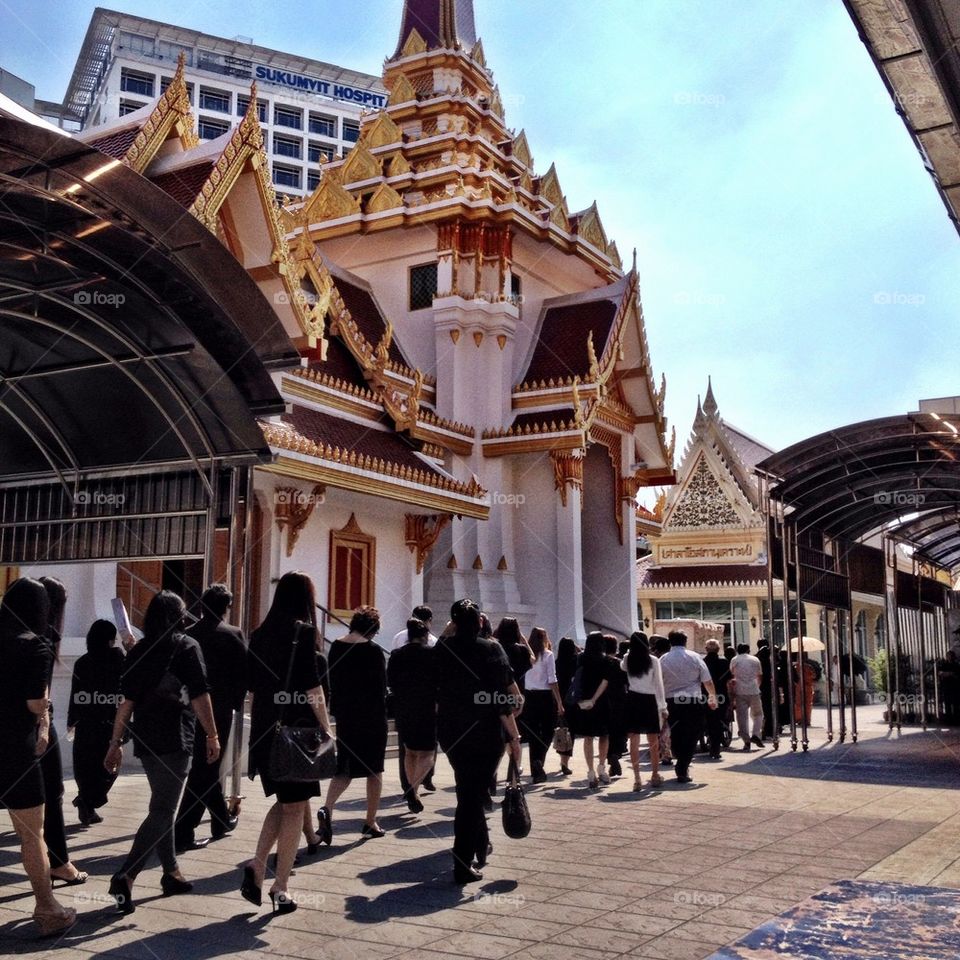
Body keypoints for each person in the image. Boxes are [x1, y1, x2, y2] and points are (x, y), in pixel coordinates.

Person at [105, 590, 220, 914]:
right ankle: (127, 874)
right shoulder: (186, 646)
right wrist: (212, 734)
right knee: (162, 810)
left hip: (147, 739)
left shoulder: (138, 651)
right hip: (176, 738)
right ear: (179, 616)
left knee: (163, 805)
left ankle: (171, 873)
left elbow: (126, 703)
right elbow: (200, 696)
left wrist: (115, 743)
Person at [243, 571, 332, 914]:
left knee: (285, 804)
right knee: (294, 809)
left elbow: (252, 688)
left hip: (267, 732)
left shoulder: (259, 634)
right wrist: (327, 728)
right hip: (297, 734)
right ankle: (280, 887)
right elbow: (313, 690)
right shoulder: (303, 632)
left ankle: (257, 863)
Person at [0, 578, 76, 936]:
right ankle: (47, 909)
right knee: (32, 834)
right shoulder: (36, 646)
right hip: (16, 750)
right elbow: (33, 703)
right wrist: (44, 710)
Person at [435, 598, 522, 883]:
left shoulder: (445, 649)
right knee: (470, 796)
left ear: (454, 623)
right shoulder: (491, 649)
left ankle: (478, 845)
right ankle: (462, 862)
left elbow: (431, 666)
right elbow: (502, 695)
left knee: (469, 791)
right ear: (481, 622)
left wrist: (449, 630)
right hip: (485, 733)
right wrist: (513, 733)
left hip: (452, 732)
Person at [174, 584, 247, 852]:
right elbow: (242, 674)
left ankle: (220, 819)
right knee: (205, 769)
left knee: (206, 767)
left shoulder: (189, 634)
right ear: (226, 608)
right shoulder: (233, 634)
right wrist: (237, 702)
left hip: (190, 707)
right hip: (220, 708)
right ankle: (182, 829)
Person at [319, 606, 389, 841]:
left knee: (345, 767)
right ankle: (370, 821)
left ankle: (327, 808)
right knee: (374, 771)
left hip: (346, 715)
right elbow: (380, 688)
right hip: (371, 717)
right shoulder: (374, 652)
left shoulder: (337, 647)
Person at [38, 576, 86, 885]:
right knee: (53, 791)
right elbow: (41, 692)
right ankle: (58, 860)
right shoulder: (44, 638)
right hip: (36, 720)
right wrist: (44, 724)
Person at [67, 619, 124, 825]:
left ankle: (86, 802)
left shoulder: (82, 662)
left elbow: (76, 693)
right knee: (110, 767)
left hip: (86, 723)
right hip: (109, 722)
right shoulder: (116, 658)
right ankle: (87, 803)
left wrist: (72, 720)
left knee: (86, 767)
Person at [387, 618, 437, 812]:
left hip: (403, 707)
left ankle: (412, 789)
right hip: (426, 707)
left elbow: (390, 680)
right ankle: (413, 788)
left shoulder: (397, 655)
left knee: (409, 751)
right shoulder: (431, 655)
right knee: (427, 753)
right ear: (424, 636)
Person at [659, 631, 718, 784]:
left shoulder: (663, 659)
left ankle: (679, 757)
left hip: (671, 701)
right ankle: (683, 765)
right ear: (685, 641)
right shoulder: (695, 657)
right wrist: (712, 697)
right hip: (692, 700)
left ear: (670, 642)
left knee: (676, 731)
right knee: (693, 733)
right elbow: (707, 681)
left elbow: (658, 682)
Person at [567, 631, 614, 789]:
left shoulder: (580, 658)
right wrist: (595, 699)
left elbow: (575, 679)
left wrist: (583, 698)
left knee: (588, 737)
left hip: (583, 700)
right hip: (601, 702)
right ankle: (602, 767)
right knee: (604, 735)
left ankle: (591, 772)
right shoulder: (606, 660)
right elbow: (605, 682)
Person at [622, 632, 666, 790]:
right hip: (649, 701)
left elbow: (622, 667)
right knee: (653, 741)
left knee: (634, 740)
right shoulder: (653, 660)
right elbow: (659, 684)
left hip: (633, 699)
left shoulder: (628, 658)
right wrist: (663, 707)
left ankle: (637, 779)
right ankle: (655, 775)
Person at [520, 627, 564, 784]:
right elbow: (552, 679)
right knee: (547, 731)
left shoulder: (526, 654)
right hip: (545, 696)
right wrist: (559, 701)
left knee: (533, 734)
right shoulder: (548, 655)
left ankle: (535, 768)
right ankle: (539, 761)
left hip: (529, 696)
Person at [730, 643, 765, 750]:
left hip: (740, 691)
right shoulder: (755, 660)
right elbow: (760, 675)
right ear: (748, 650)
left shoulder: (734, 660)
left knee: (742, 717)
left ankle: (746, 740)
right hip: (754, 689)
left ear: (737, 650)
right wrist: (757, 686)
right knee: (758, 714)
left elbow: (732, 675)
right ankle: (755, 734)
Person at [603, 634, 628, 778]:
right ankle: (615, 754)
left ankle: (609, 756)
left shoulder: (600, 662)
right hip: (619, 698)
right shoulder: (619, 663)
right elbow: (627, 682)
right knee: (618, 730)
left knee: (605, 731)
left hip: (603, 699)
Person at [554, 637, 580, 775]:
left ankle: (562, 759)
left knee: (562, 729)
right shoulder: (575, 661)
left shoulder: (557, 662)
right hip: (573, 699)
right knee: (571, 732)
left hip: (560, 698)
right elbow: (582, 652)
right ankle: (565, 762)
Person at [702, 639, 731, 760]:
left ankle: (709, 739)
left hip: (705, 695)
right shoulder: (724, 662)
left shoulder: (702, 662)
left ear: (706, 649)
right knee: (719, 721)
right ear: (719, 650)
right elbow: (729, 680)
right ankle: (716, 748)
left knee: (708, 720)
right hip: (721, 695)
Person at [651, 635, 674, 766]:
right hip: (675, 696)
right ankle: (667, 752)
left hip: (658, 697)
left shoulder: (657, 661)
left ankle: (665, 752)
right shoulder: (671, 659)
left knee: (662, 727)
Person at [793, 652, 821, 725]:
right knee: (808, 704)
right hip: (808, 686)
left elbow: (794, 677)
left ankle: (799, 719)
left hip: (799, 686)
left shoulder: (796, 666)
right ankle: (807, 720)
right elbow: (814, 676)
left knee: (799, 703)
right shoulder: (809, 667)